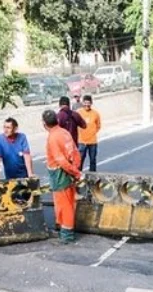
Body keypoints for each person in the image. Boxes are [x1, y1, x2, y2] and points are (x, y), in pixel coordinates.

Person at [43, 109, 82, 244]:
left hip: (59, 173)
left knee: (63, 204)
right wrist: (75, 169)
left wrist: (75, 172)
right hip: (68, 171)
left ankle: (66, 235)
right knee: (69, 202)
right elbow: (76, 152)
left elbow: (60, 160)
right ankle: (64, 230)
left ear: (44, 124)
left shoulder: (53, 137)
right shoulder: (65, 133)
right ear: (57, 120)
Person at [77, 95, 101, 172]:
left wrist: (92, 132)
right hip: (82, 141)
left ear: (91, 103)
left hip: (92, 141)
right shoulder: (79, 113)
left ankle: (92, 178)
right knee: (80, 161)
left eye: (88, 103)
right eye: (85, 103)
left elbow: (98, 126)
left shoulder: (95, 114)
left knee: (93, 160)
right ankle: (78, 177)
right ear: (82, 103)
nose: (87, 105)